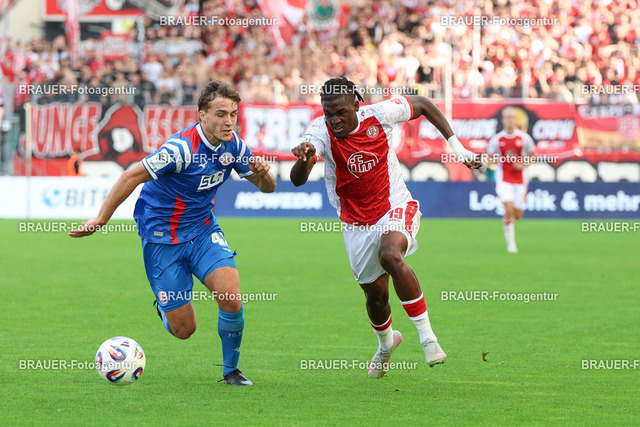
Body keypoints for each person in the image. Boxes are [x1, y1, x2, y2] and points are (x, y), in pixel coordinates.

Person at [69, 81, 276, 386]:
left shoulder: (235, 146)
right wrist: (101, 220)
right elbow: (130, 176)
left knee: (231, 298)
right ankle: (165, 309)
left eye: (233, 114)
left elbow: (267, 188)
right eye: (221, 114)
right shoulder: (180, 150)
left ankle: (231, 371)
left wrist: (263, 174)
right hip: (162, 238)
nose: (229, 121)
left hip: (203, 231)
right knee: (184, 330)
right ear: (202, 114)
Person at [290, 77, 480, 378]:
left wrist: (456, 146)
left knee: (390, 255)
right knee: (376, 297)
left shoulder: (380, 114)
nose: (334, 120)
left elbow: (423, 104)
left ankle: (428, 338)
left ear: (356, 104)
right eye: (329, 114)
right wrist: (305, 158)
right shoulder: (320, 131)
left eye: (340, 112)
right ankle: (386, 343)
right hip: (355, 222)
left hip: (394, 206)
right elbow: (297, 179)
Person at [486, 107, 536, 253]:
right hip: (504, 178)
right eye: (507, 117)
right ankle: (511, 244)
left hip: (520, 179)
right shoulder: (497, 139)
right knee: (508, 209)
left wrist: (523, 164)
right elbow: (489, 157)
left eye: (512, 117)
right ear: (503, 120)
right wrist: (492, 164)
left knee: (517, 215)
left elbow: (533, 155)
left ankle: (509, 224)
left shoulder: (524, 138)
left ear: (516, 120)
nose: (509, 120)